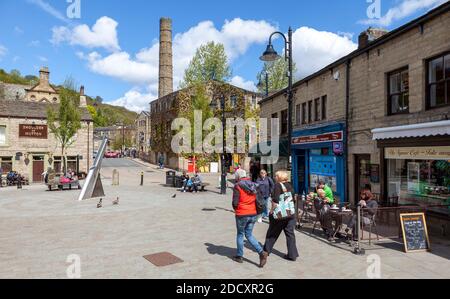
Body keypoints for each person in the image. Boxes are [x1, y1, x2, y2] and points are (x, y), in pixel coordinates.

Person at [260, 171, 299, 268]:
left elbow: (275, 200)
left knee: (272, 233)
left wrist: (271, 211)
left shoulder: (278, 185)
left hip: (280, 214)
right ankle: (292, 254)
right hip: (291, 213)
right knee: (290, 234)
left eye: (276, 175)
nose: (275, 177)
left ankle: (265, 252)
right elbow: (293, 198)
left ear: (279, 177)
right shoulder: (290, 185)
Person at [232, 169, 266, 266]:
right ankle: (261, 252)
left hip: (242, 213)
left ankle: (239, 256)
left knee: (240, 234)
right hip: (253, 213)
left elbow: (235, 202)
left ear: (238, 176)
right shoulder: (253, 184)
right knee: (249, 235)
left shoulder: (238, 186)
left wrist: (236, 209)